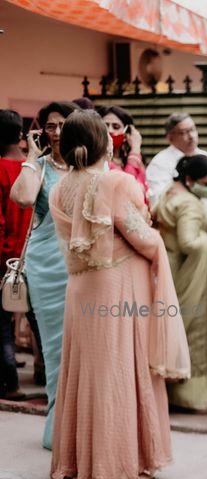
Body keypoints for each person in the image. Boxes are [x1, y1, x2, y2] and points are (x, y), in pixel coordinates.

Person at [48, 109, 189, 479]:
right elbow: (141, 235)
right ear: (103, 141)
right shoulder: (117, 182)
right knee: (122, 368)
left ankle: (82, 462)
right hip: (120, 286)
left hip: (81, 289)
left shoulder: (59, 188)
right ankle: (126, 465)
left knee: (87, 371)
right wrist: (158, 241)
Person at [10, 100, 79, 449]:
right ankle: (58, 429)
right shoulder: (37, 166)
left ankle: (83, 425)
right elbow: (21, 197)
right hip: (47, 267)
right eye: (50, 125)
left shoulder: (87, 164)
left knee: (82, 347)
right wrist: (31, 158)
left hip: (83, 264)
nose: (56, 132)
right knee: (54, 349)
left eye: (63, 124)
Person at [155, 154, 207, 412]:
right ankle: (195, 395)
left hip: (173, 268)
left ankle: (174, 390)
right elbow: (189, 242)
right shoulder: (188, 203)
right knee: (197, 330)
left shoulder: (169, 192)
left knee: (179, 328)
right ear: (190, 180)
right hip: (191, 274)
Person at [0, 110, 33, 400]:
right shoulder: (34, 168)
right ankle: (49, 379)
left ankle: (9, 383)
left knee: (2, 324)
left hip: (5, 259)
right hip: (35, 257)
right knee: (38, 321)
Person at [146, 112, 207, 206]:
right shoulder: (159, 163)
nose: (191, 136)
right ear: (170, 138)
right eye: (183, 132)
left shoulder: (206, 156)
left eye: (192, 129)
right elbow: (158, 198)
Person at [97, 105, 148, 194]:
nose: (110, 130)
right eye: (105, 126)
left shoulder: (134, 157)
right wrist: (135, 151)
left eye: (116, 127)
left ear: (127, 132)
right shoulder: (98, 160)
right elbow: (125, 189)